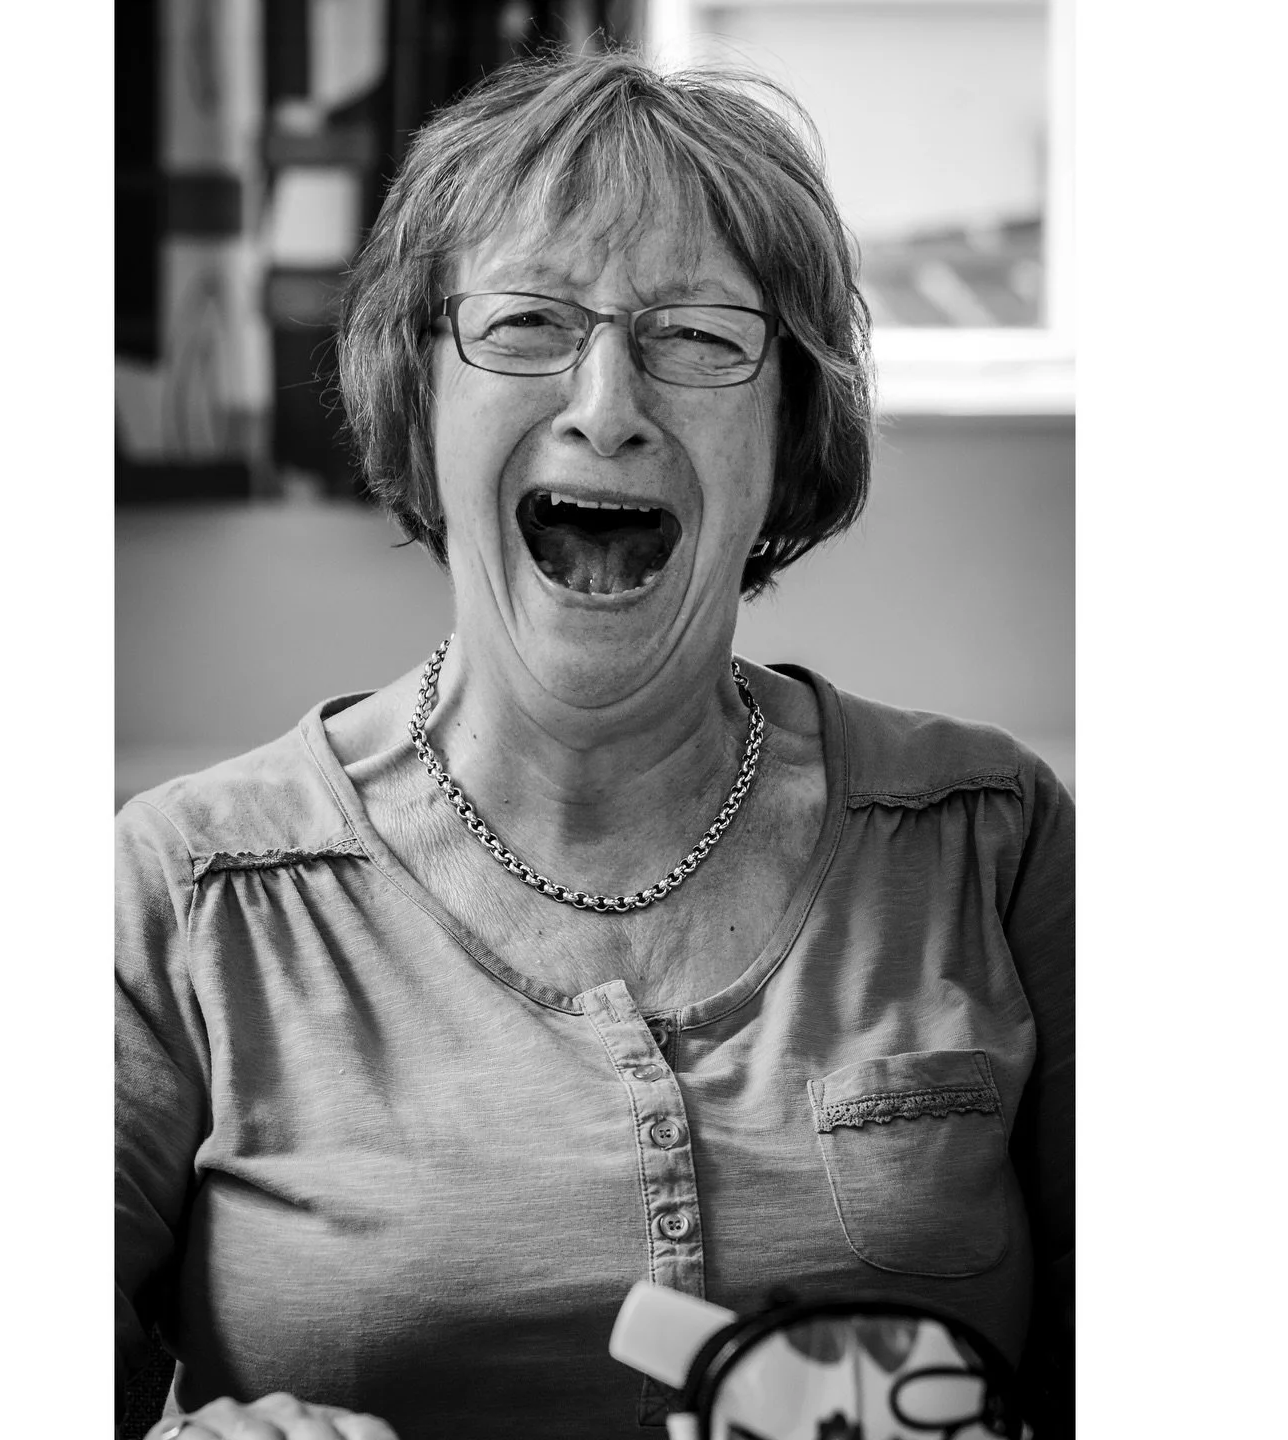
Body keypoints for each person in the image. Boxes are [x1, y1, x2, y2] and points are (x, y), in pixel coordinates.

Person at [116, 49, 1074, 1440]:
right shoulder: (188, 887)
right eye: (528, 325)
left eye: (697, 337)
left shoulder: (996, 838)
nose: (610, 401)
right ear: (419, 389)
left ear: (789, 421)